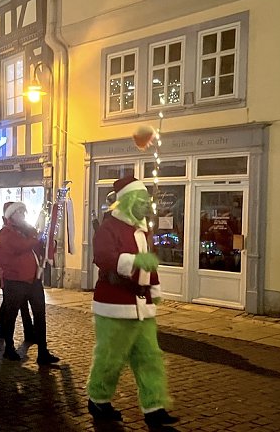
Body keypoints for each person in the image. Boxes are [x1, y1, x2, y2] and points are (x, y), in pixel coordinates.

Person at [86, 176, 178, 428]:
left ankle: (154, 407)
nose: (144, 207)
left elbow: (150, 262)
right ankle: (98, 399)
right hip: (115, 303)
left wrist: (154, 286)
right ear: (126, 202)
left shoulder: (143, 229)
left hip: (142, 304)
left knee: (149, 357)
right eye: (139, 202)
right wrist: (135, 263)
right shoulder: (109, 227)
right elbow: (103, 258)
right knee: (111, 358)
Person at [0, 201, 60, 366]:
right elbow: (20, 246)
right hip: (15, 281)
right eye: (19, 213)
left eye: (24, 212)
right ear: (11, 216)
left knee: (40, 314)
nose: (23, 216)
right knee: (11, 315)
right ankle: (9, 348)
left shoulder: (29, 231)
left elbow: (39, 246)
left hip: (33, 280)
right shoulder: (6, 232)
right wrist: (37, 237)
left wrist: (49, 242)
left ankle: (43, 351)